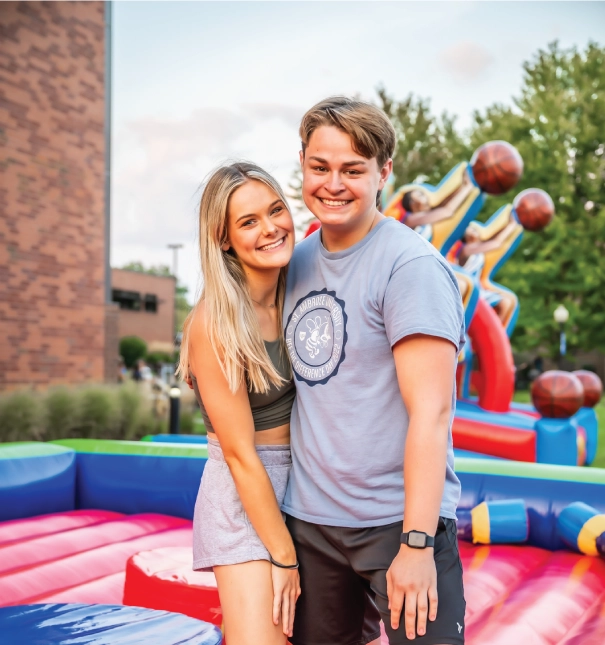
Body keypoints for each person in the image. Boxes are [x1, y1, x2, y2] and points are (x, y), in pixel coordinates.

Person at [283, 97, 466, 645]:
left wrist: (416, 543)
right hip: (311, 525)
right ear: (303, 164)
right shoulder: (294, 261)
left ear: (384, 173)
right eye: (320, 167)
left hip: (396, 523)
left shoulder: (410, 268)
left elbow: (431, 414)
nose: (333, 184)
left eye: (353, 170)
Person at [177, 162, 300, 645]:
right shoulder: (215, 321)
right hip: (247, 490)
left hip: (309, 485)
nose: (270, 228)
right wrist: (284, 556)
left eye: (276, 210)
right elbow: (240, 455)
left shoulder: (298, 288)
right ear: (224, 239)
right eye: (249, 222)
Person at [451, 215, 519, 328]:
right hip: (467, 288)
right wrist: (511, 225)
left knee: (505, 303)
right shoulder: (466, 249)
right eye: (471, 228)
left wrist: (508, 224)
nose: (473, 231)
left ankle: (495, 331)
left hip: (478, 288)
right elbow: (496, 243)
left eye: (477, 230)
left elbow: (495, 240)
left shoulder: (479, 252)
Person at [399, 172, 475, 240]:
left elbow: (447, 202)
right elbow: (447, 211)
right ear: (412, 204)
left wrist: (462, 183)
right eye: (421, 195)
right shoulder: (410, 219)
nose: (426, 196)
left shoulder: (426, 216)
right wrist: (467, 187)